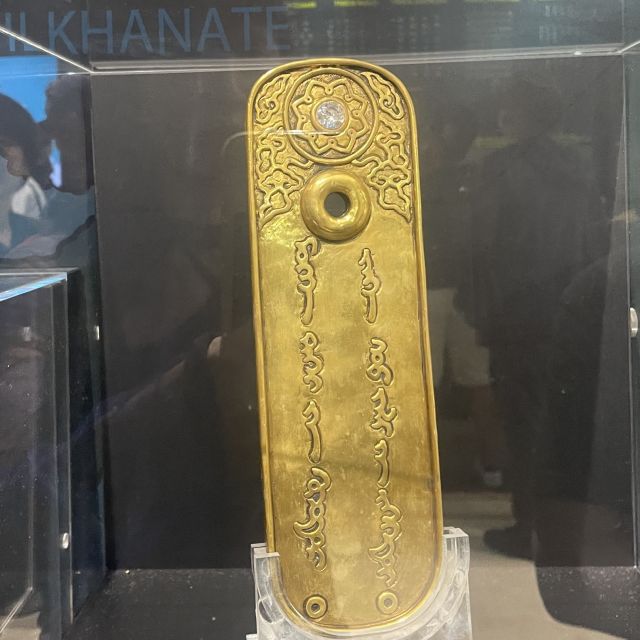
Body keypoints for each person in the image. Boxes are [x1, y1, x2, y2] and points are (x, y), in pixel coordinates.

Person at [472, 78, 589, 558]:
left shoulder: (500, 167)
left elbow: (484, 244)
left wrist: (481, 308)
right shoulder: (576, 166)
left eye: (509, 108)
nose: (502, 116)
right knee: (556, 421)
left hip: (516, 311)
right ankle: (555, 525)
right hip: (565, 306)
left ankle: (530, 527)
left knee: (524, 424)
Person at [423, 103, 505, 489]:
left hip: (429, 288)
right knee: (477, 381)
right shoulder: (478, 178)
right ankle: (492, 467)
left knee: (426, 382)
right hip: (467, 291)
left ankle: (423, 468)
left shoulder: (415, 177)